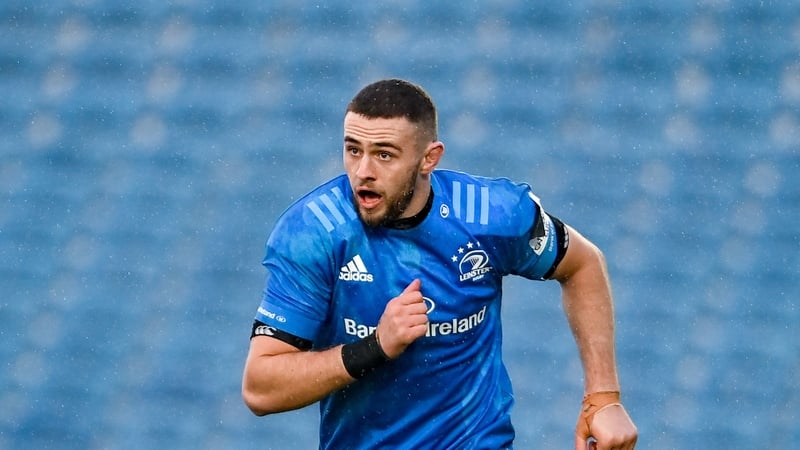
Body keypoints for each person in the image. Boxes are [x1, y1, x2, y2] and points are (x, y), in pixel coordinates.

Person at [242, 78, 638, 449]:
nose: (363, 172)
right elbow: (260, 388)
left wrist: (603, 398)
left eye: (384, 154)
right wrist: (375, 346)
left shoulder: (491, 214)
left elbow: (583, 263)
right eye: (353, 150)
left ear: (429, 159)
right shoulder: (313, 233)